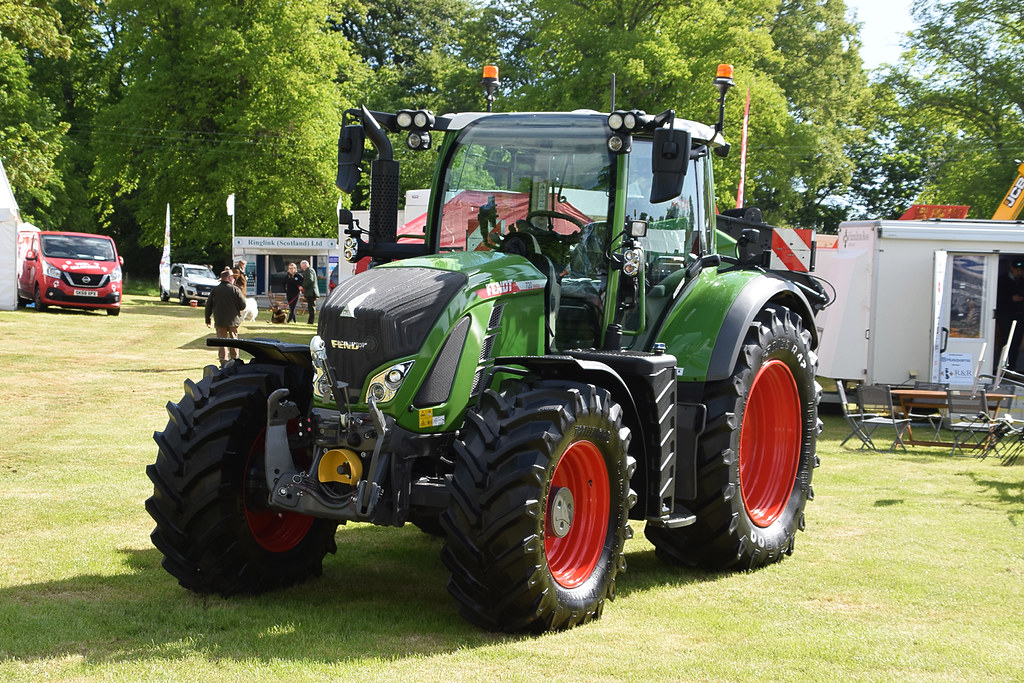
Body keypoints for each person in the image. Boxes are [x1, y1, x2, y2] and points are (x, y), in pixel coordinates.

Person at [204, 267, 246, 367]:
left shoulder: (215, 290)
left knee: (222, 341)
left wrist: (207, 319)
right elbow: (243, 305)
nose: (233, 279)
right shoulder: (235, 289)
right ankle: (235, 360)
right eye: (232, 277)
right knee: (234, 340)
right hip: (233, 320)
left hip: (220, 320)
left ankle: (223, 361)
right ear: (228, 278)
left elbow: (208, 305)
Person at [300, 259, 319, 325]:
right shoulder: (310, 270)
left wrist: (303, 286)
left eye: (302, 266)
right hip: (310, 292)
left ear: (305, 265)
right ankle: (310, 321)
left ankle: (311, 321)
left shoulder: (309, 270)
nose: (301, 268)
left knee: (311, 307)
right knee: (310, 307)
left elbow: (310, 279)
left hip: (311, 292)